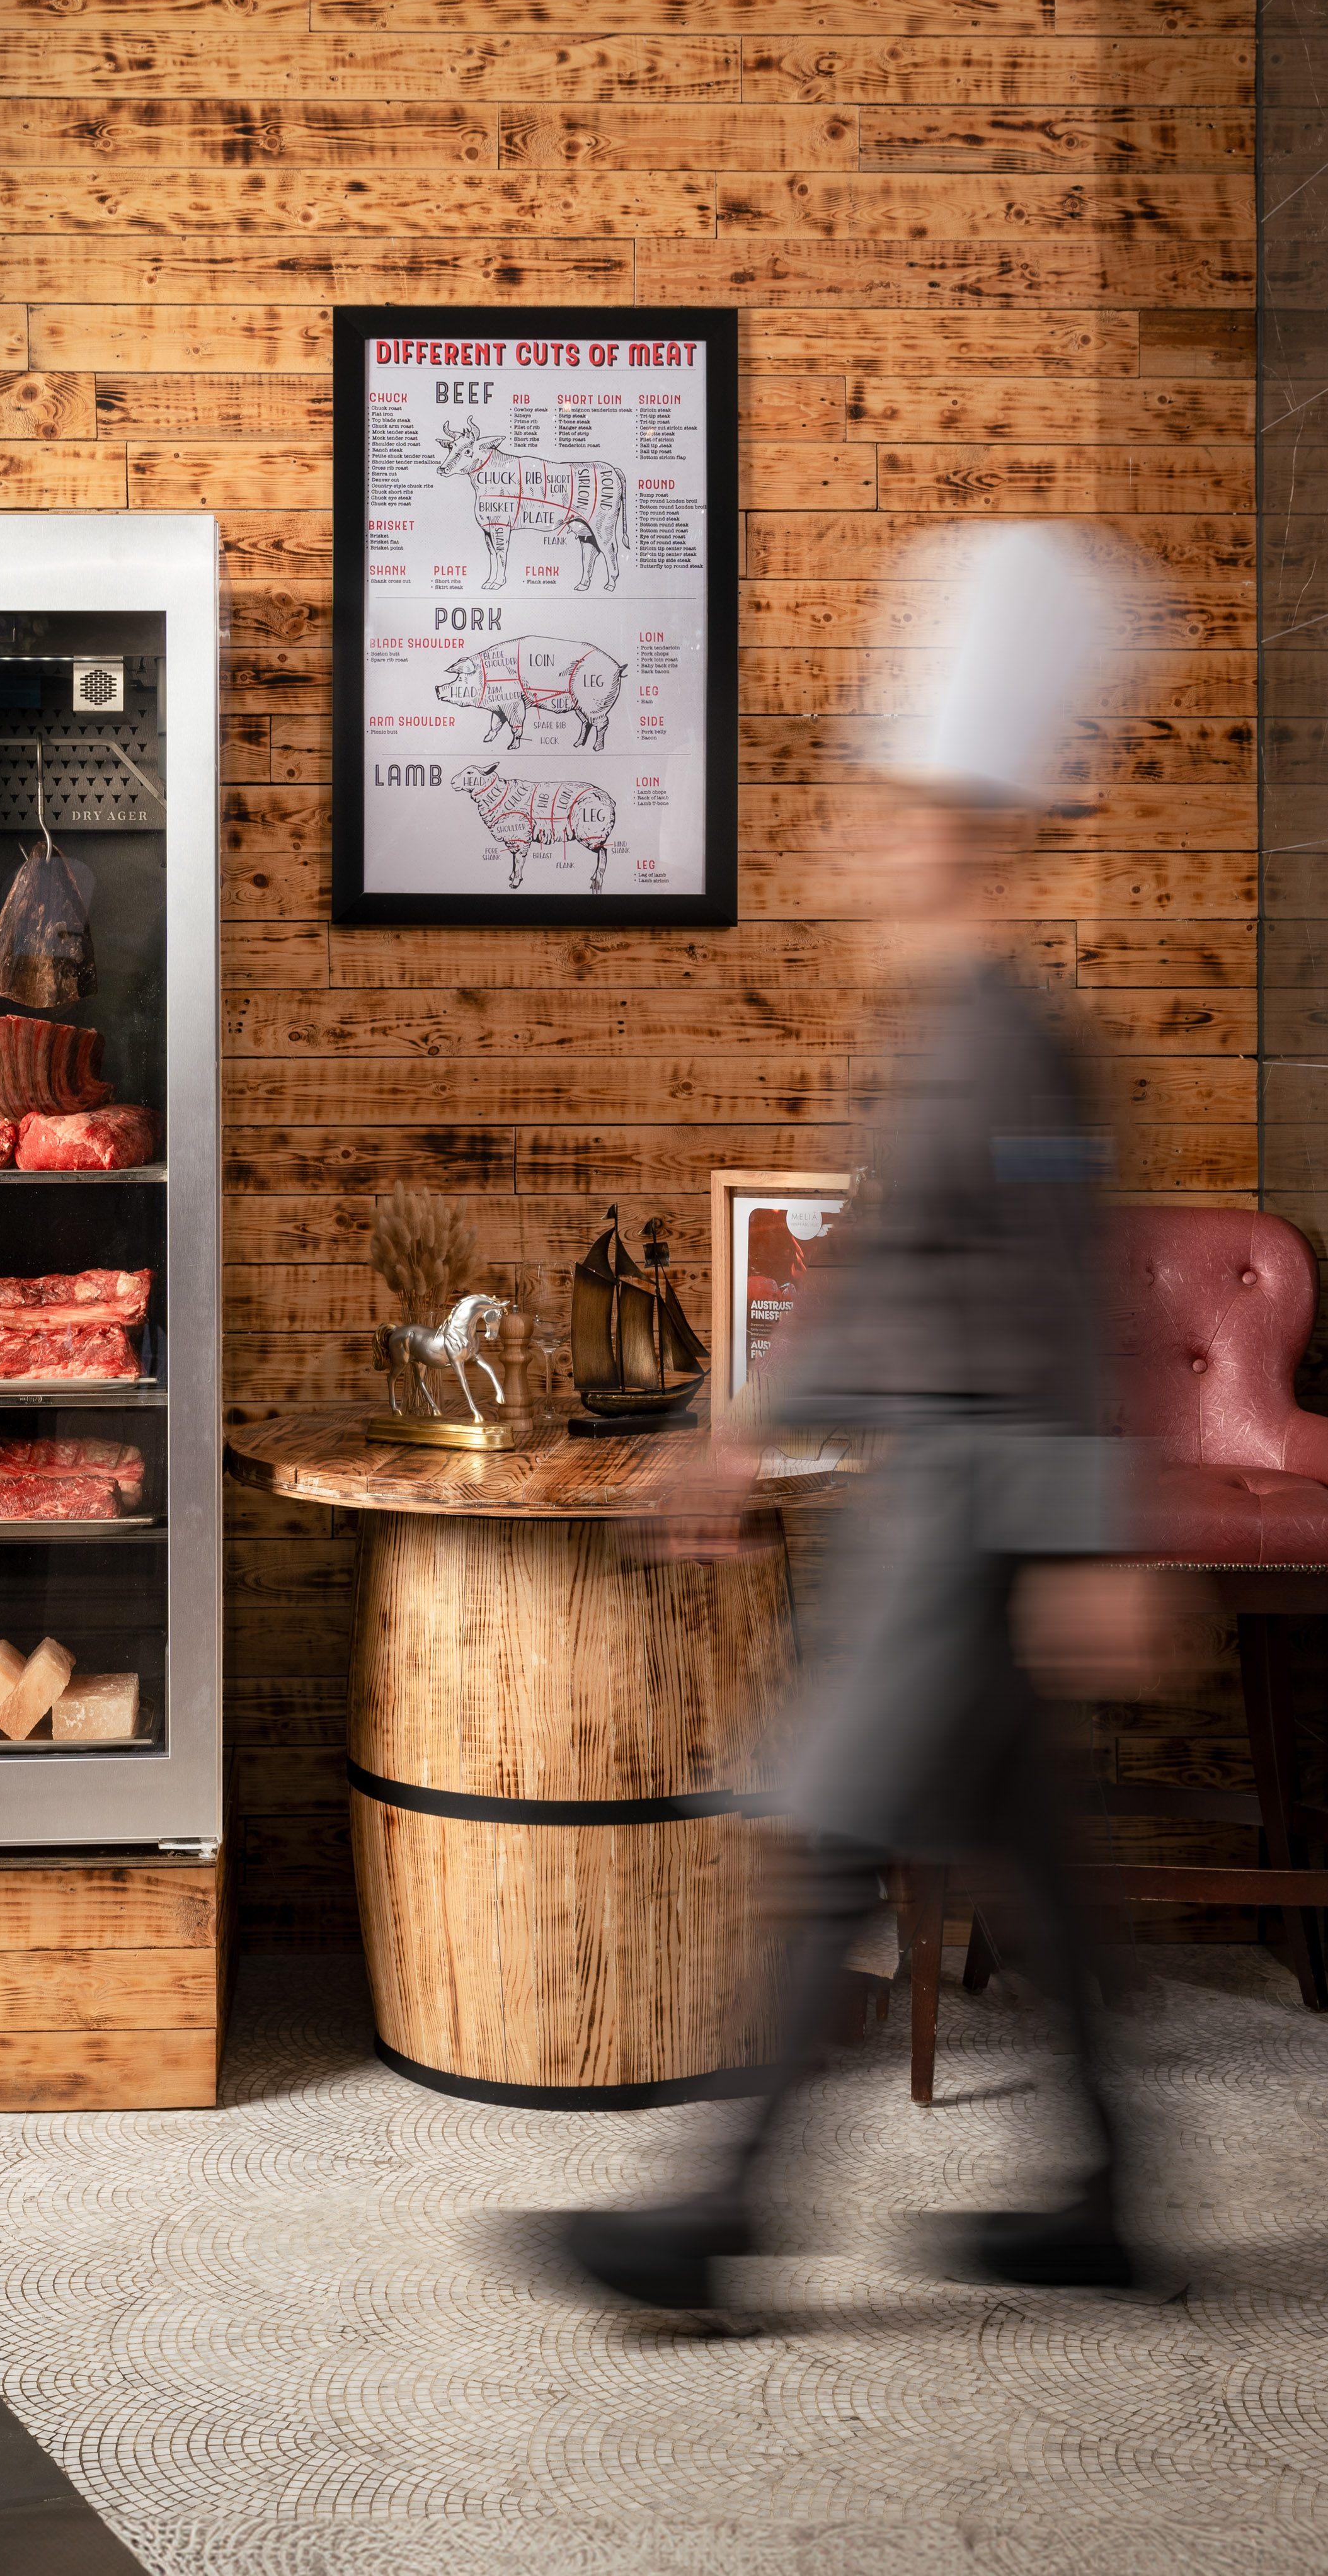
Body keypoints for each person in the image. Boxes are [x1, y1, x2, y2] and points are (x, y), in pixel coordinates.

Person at [565, 528, 1176, 2313]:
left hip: (975, 1524)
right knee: (1042, 1877)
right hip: (943, 1510)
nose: (847, 831)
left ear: (958, 833)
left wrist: (1084, 1542)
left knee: (821, 1835)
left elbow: (1063, 1300)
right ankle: (1106, 2196)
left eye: (878, 804)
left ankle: (708, 2220)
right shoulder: (930, 1030)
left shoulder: (1014, 1043)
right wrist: (742, 1431)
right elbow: (887, 1279)